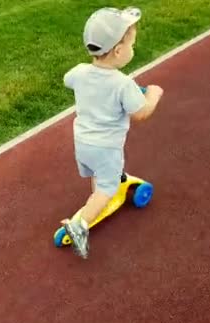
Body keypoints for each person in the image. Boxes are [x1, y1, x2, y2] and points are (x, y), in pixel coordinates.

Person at [62, 7, 164, 259]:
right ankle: (80, 225)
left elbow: (68, 79)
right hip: (106, 147)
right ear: (118, 51)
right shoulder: (122, 84)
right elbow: (140, 113)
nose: (133, 49)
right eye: (132, 45)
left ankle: (99, 193)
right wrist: (153, 94)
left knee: (99, 174)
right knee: (108, 184)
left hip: (82, 142)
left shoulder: (79, 72)